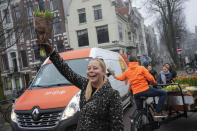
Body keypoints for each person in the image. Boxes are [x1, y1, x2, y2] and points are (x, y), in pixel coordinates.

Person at [37, 43, 124, 130]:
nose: (91, 71)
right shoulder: (85, 85)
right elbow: (67, 72)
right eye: (89, 68)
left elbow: (118, 127)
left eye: (95, 68)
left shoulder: (112, 95)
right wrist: (52, 53)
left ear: (103, 72)